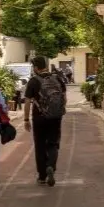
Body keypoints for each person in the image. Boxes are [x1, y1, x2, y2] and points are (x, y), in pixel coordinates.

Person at [24, 55, 68, 187]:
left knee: (40, 145)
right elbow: (64, 98)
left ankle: (42, 176)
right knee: (53, 143)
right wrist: (57, 110)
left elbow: (27, 102)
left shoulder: (33, 81)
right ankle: (51, 166)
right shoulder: (57, 78)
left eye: (33, 66)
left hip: (39, 118)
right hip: (55, 117)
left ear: (36, 68)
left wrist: (26, 119)